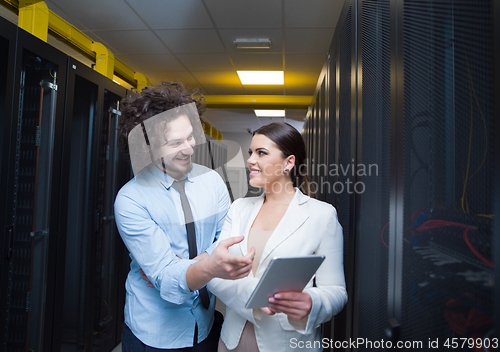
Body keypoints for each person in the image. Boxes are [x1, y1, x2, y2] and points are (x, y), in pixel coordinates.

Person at [114, 82, 255, 351]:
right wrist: (210, 264)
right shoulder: (131, 199)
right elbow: (167, 278)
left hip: (205, 323)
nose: (190, 149)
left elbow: (229, 237)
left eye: (190, 137)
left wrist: (191, 265)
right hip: (155, 333)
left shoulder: (212, 181)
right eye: (176, 143)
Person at [207, 122, 348, 352]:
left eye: (261, 153)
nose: (251, 160)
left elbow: (336, 292)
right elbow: (213, 274)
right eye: (250, 153)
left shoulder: (322, 215)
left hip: (287, 343)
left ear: (288, 163)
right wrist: (256, 296)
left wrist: (312, 302)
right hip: (233, 340)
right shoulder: (238, 209)